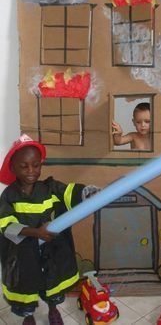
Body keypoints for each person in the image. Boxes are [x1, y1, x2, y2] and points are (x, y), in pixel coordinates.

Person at [0, 134, 97, 325]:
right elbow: (6, 225)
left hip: (50, 251)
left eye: (36, 165)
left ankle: (53, 310)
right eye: (24, 166)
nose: (31, 171)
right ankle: (29, 316)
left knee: (52, 284)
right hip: (23, 255)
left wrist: (86, 193)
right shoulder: (9, 196)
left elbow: (68, 192)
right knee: (26, 288)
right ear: (13, 167)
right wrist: (36, 232)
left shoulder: (49, 188)